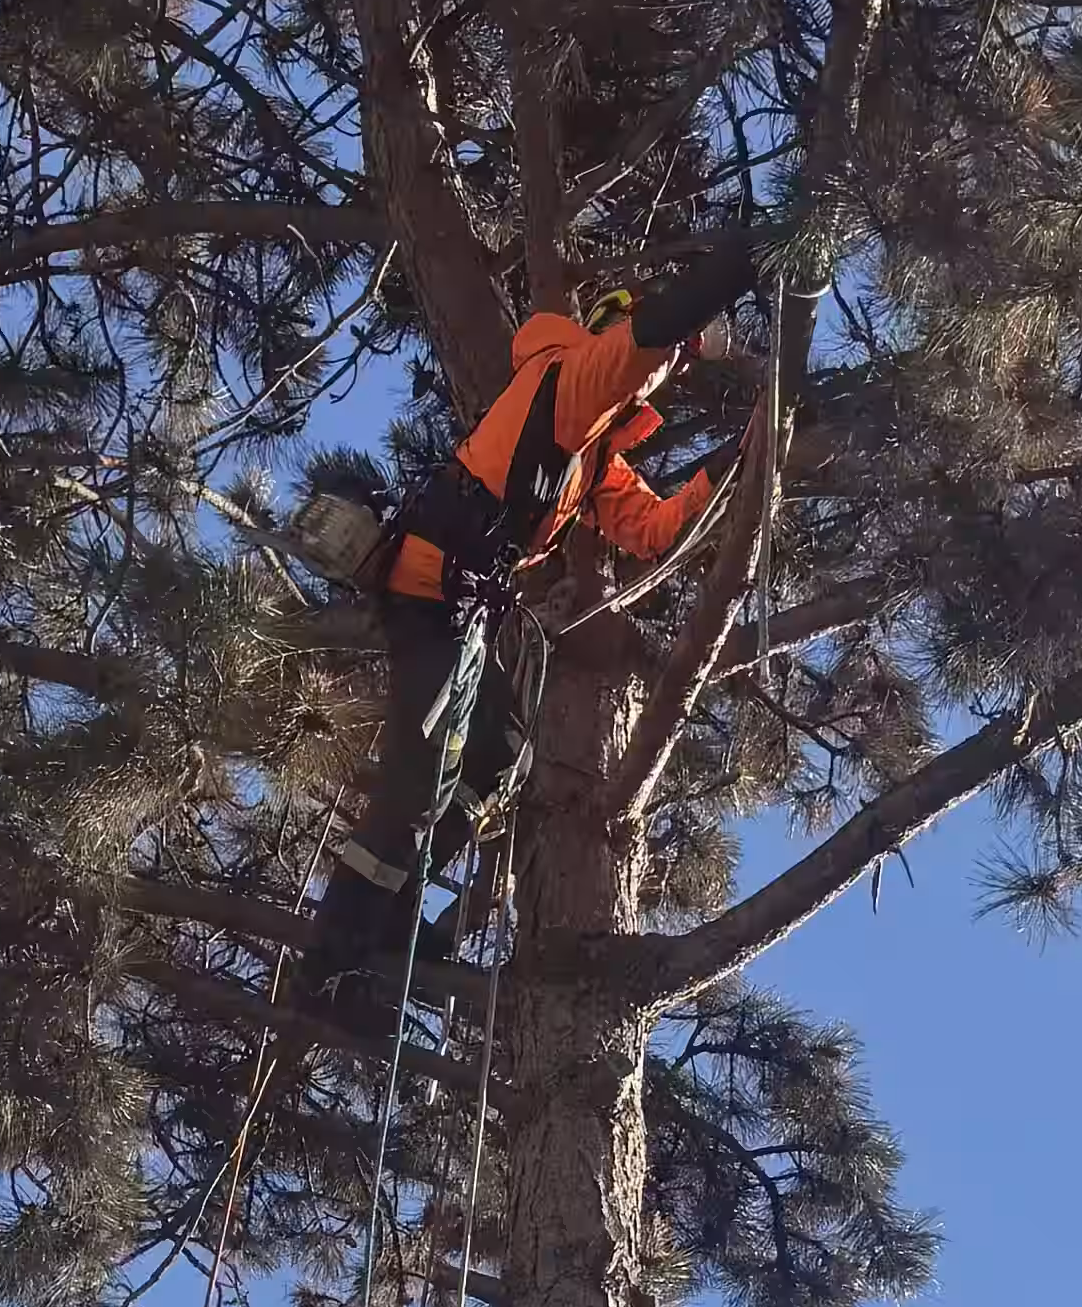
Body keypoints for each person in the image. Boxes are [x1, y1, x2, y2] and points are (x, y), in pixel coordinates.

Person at [309, 241, 759, 977]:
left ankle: (388, 924)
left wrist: (739, 455)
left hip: (460, 603)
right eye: (667, 358)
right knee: (420, 776)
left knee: (497, 757)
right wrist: (744, 258)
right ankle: (337, 957)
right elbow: (647, 342)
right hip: (432, 588)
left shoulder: (591, 458)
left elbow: (651, 529)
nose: (671, 371)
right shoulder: (574, 376)